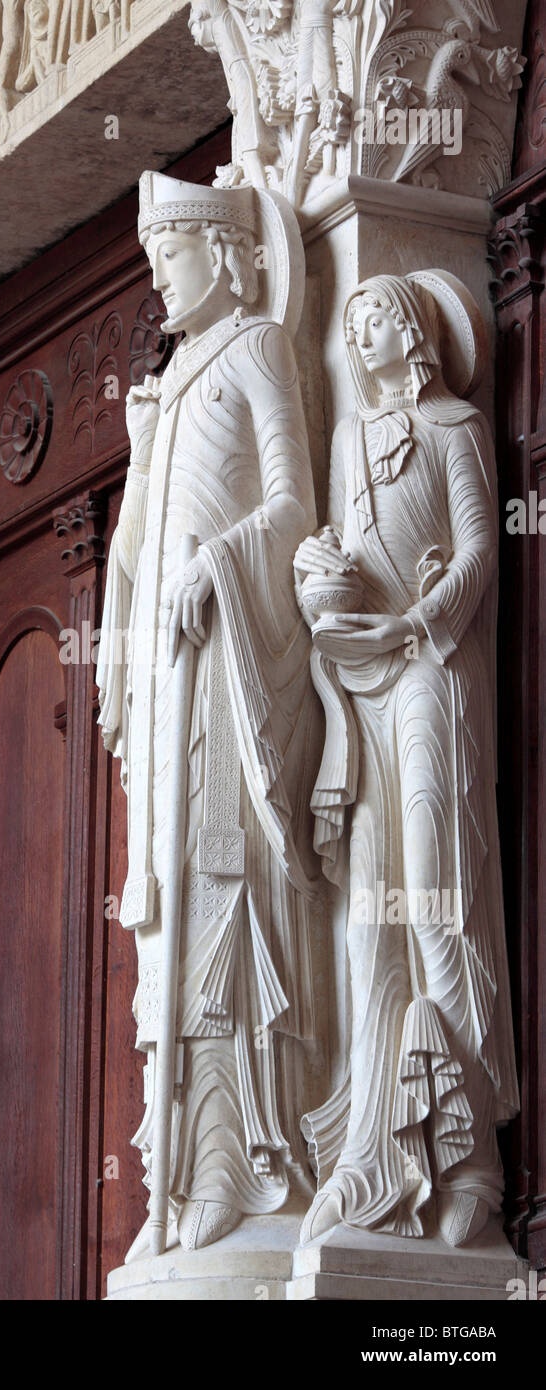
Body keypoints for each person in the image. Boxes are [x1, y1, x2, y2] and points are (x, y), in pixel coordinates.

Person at [98, 171, 322, 1252]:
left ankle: (243, 1168)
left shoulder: (258, 348)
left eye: (170, 258)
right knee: (169, 917)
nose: (158, 280)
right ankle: (174, 1178)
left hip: (229, 669)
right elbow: (138, 547)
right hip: (170, 680)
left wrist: (223, 565)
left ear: (225, 256)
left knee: (228, 896)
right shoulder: (175, 379)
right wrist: (142, 460)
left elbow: (293, 503)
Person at [294, 273, 519, 1247]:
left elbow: (476, 551)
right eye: (351, 321)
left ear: (416, 329)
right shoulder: (347, 439)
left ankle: (470, 1161)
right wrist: (318, 581)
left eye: (375, 313)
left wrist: (416, 620)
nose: (361, 328)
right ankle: (377, 1155)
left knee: (434, 896)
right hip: (360, 680)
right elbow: (341, 547)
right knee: (364, 920)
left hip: (429, 669)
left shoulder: (455, 425)